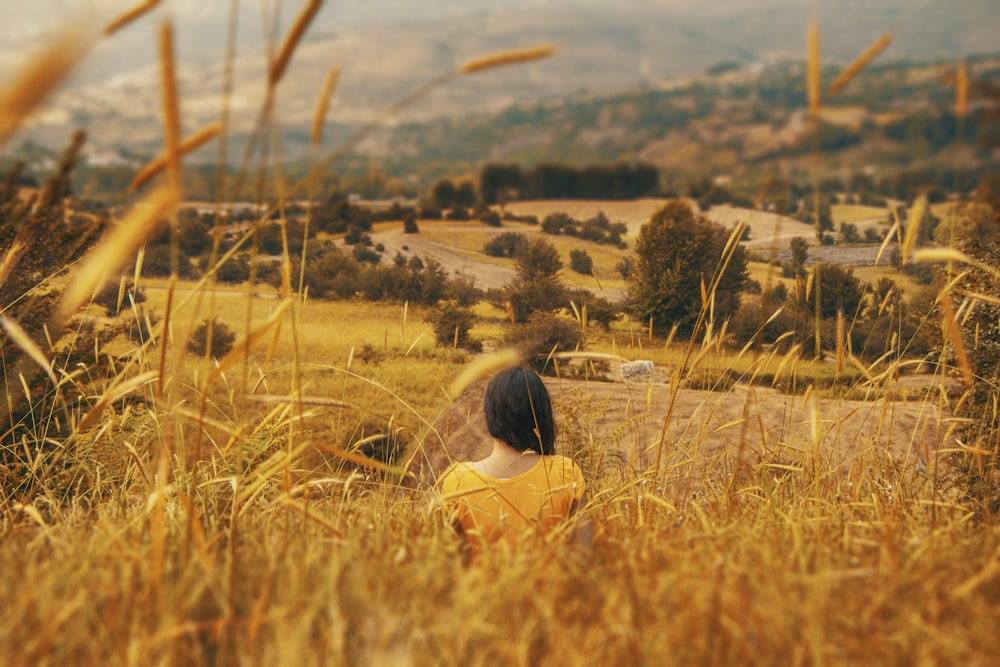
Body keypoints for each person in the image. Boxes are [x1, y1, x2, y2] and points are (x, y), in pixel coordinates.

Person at [437, 366, 588, 554]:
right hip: (550, 584)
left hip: (477, 584)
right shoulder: (565, 473)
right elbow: (585, 557)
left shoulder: (458, 482)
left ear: (489, 414)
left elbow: (446, 565)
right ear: (542, 415)